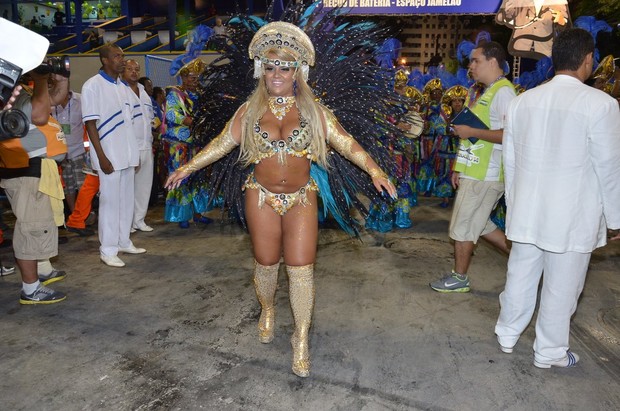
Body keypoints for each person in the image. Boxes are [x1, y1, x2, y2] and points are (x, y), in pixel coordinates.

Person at [165, 22, 396, 377]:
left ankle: (300, 338)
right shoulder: (248, 110)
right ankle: (268, 308)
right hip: (260, 197)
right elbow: (222, 143)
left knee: (302, 269)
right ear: (261, 69)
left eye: (285, 67)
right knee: (266, 262)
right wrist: (188, 167)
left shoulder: (315, 111)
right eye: (270, 66)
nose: (276, 74)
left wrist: (376, 171)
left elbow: (347, 143)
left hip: (302, 197)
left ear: (298, 71)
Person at [495, 28, 620, 368]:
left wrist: (513, 206)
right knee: (561, 287)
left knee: (520, 275)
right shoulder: (602, 105)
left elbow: (510, 161)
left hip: (527, 210)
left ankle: (507, 333)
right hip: (572, 214)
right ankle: (548, 352)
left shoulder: (523, 102)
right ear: (588, 60)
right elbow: (609, 167)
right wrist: (616, 218)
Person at [429, 41, 515, 293]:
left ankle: (459, 277)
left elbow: (510, 134)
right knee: (481, 225)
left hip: (486, 175)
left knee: (463, 227)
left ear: (492, 61)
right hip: (475, 172)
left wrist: (470, 131)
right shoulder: (485, 92)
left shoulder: (504, 93)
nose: (470, 65)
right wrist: (459, 167)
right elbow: (473, 137)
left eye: (475, 60)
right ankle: (527, 261)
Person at [0, 71, 69, 304]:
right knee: (31, 229)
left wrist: (60, 76)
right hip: (25, 172)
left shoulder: (19, 91)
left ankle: (41, 273)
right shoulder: (10, 94)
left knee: (39, 225)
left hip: (34, 171)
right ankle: (30, 289)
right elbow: (40, 115)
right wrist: (40, 78)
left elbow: (55, 99)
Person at [81, 44, 146, 268]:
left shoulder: (124, 87)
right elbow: (90, 125)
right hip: (108, 155)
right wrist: (101, 157)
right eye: (117, 56)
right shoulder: (92, 86)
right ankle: (107, 249)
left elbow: (131, 124)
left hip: (127, 154)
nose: (121, 60)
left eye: (122, 55)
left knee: (126, 200)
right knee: (110, 203)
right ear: (104, 60)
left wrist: (135, 154)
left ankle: (123, 241)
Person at [161, 58, 212, 228]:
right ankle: (182, 216)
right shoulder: (174, 94)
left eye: (196, 78)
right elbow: (170, 115)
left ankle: (198, 213)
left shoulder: (198, 95)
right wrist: (189, 121)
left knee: (198, 177)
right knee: (180, 178)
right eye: (191, 77)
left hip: (196, 143)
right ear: (183, 77)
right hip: (179, 143)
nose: (194, 81)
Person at [123, 60, 155, 232]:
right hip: (130, 145)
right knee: (128, 187)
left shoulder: (143, 92)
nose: (134, 72)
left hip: (146, 144)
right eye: (130, 69)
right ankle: (127, 223)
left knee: (144, 185)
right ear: (123, 71)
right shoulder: (121, 90)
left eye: (136, 69)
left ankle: (139, 220)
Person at [52, 85, 88, 218]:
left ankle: (85, 214)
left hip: (79, 151)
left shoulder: (80, 100)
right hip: (60, 153)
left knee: (83, 185)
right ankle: (74, 215)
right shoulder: (50, 102)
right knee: (68, 186)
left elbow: (88, 124)